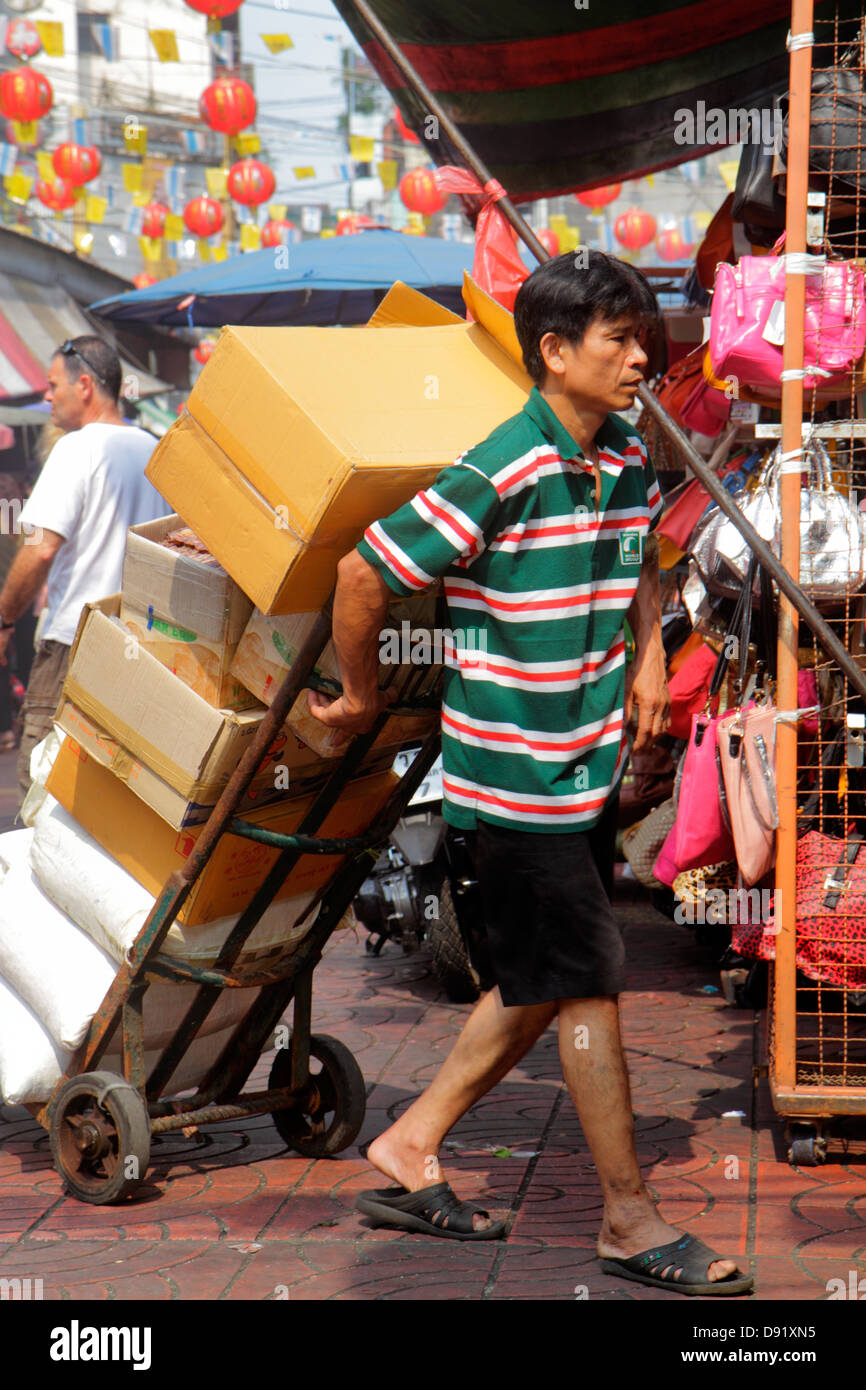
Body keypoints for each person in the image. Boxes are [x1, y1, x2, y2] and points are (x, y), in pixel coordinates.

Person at [308, 252, 753, 1297]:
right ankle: (627, 1217)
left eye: (643, 336)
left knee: (537, 981)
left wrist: (647, 650)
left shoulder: (626, 457)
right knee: (587, 983)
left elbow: (638, 560)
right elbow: (362, 571)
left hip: (583, 774)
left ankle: (411, 1144)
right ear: (553, 353)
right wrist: (361, 697)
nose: (643, 355)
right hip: (512, 788)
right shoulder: (503, 468)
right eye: (618, 338)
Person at [0, 337, 166, 803]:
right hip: (142, 644)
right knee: (113, 792)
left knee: (44, 787)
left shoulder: (77, 448)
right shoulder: (154, 449)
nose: (47, 396)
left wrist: (5, 620)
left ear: (86, 385)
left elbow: (40, 549)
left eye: (53, 386)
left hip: (76, 640)